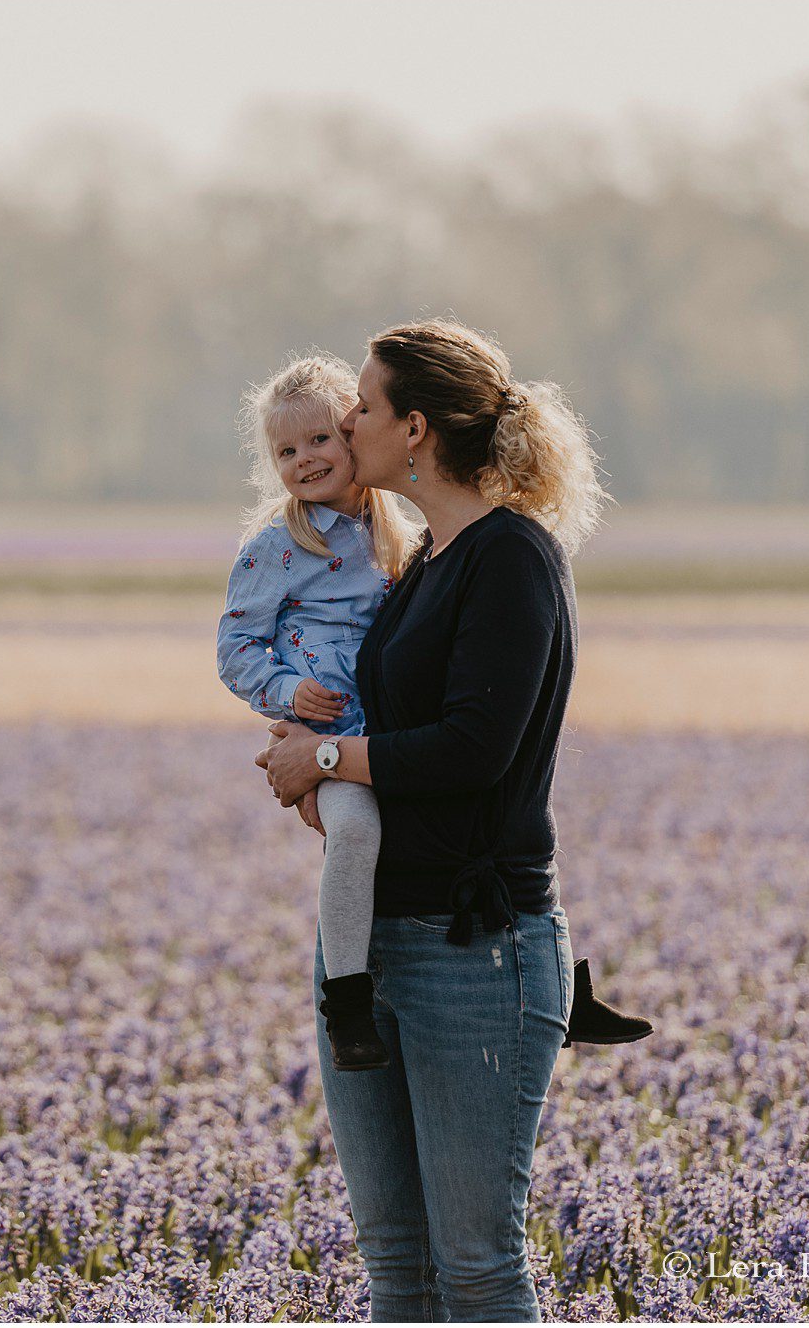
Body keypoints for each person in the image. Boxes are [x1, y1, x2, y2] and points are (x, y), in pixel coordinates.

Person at [255, 320, 649, 1321]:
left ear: (415, 430)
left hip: (474, 954)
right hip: (373, 941)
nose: (345, 421)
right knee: (396, 1273)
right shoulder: (426, 561)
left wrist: (333, 759)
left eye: (365, 405)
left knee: (474, 1271)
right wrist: (306, 747)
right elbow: (389, 730)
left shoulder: (509, 558)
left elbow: (476, 747)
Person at [217, 355, 418, 1071]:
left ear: (355, 434)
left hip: (393, 730)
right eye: (285, 451)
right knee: (357, 833)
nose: (304, 461)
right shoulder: (278, 544)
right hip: (328, 733)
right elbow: (235, 647)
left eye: (320, 441)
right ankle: (347, 999)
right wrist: (285, 695)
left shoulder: (400, 534)